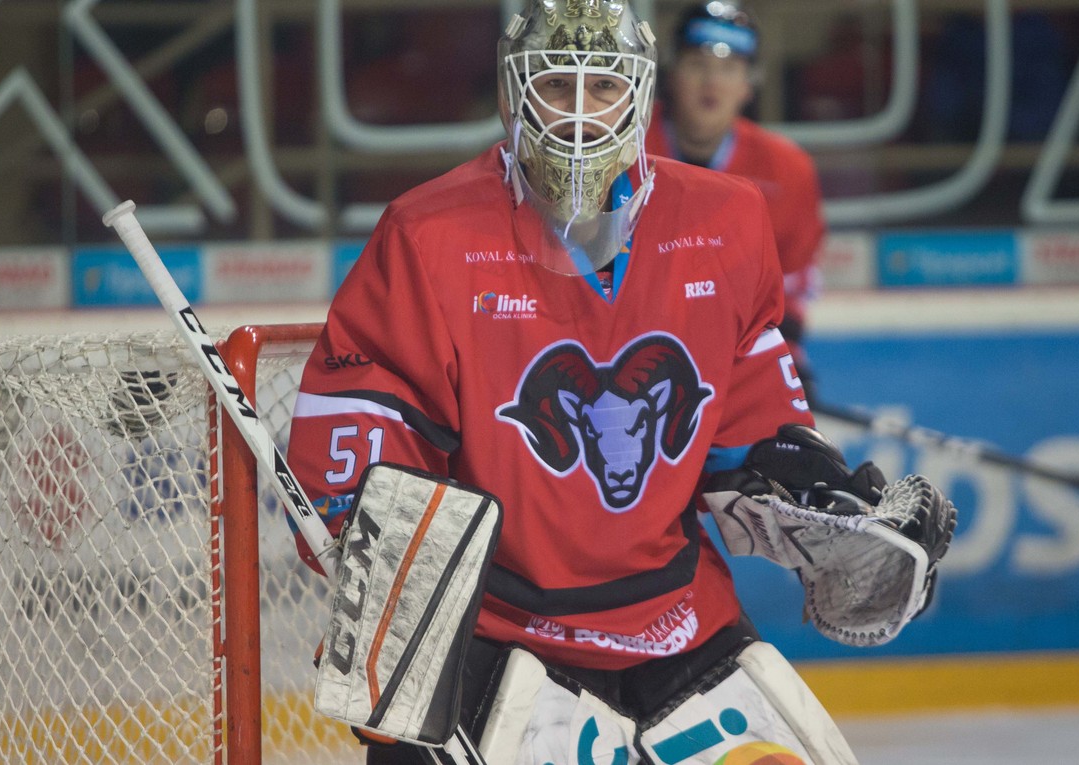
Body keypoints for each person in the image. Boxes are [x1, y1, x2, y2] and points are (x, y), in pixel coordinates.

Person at [287, 2, 953, 762]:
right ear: (512, 93)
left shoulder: (726, 221)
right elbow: (349, 477)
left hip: (676, 620)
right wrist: (395, 626)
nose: (578, 115)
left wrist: (824, 504)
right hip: (501, 631)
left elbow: (749, 442)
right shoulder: (428, 236)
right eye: (554, 87)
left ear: (640, 93)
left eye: (602, 86)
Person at [644, 1, 825, 396]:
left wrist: (785, 353)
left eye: (728, 69)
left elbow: (792, 280)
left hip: (742, 356)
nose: (713, 83)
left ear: (748, 84)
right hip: (635, 352)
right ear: (672, 73)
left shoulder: (787, 169)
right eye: (698, 64)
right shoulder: (624, 148)